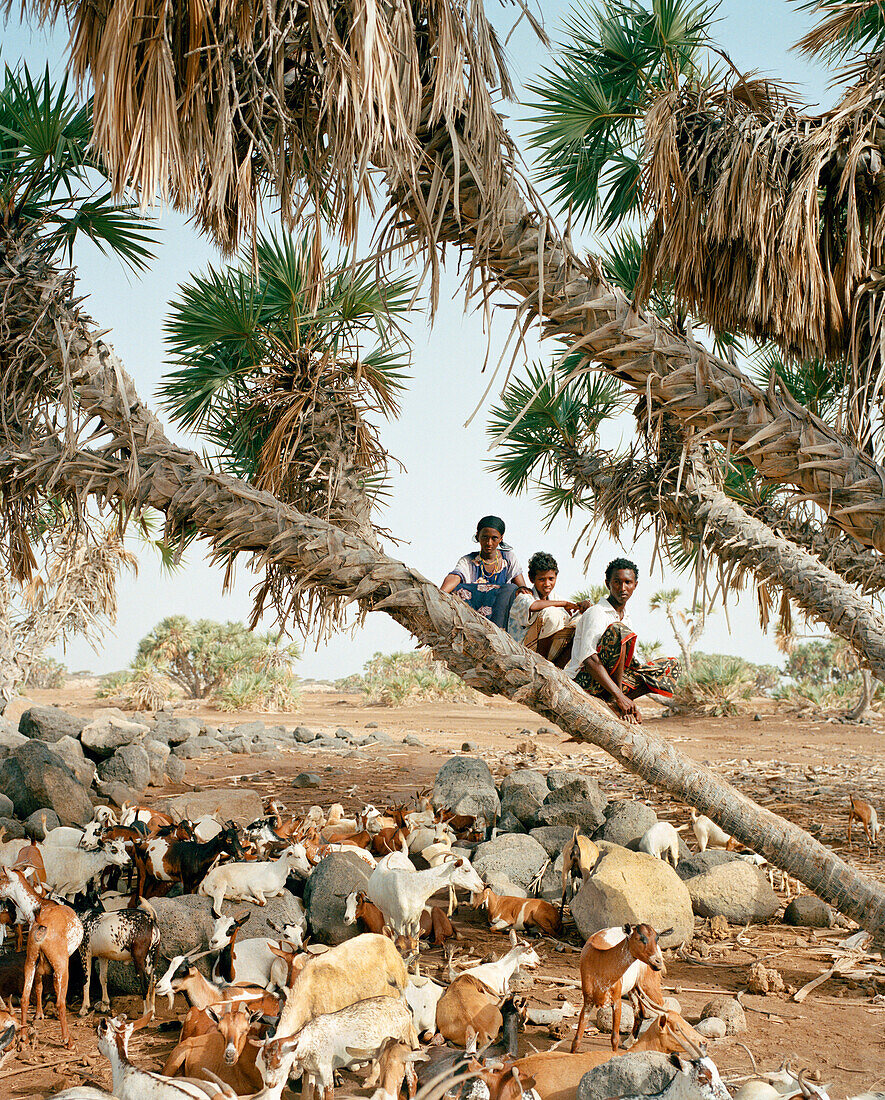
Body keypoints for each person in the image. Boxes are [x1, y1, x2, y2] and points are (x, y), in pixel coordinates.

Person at [564, 557, 680, 724]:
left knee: (670, 666)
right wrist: (619, 696)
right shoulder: (597, 612)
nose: (622, 588)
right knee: (618, 630)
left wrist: (628, 702)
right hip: (585, 681)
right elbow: (589, 660)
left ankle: (615, 703)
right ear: (607, 584)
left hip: (609, 685)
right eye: (617, 582)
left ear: (635, 585)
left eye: (628, 582)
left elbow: (630, 662)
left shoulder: (627, 618)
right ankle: (616, 700)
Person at [441, 515, 529, 629]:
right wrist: (439, 595)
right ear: (478, 536)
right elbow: (455, 577)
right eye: (485, 537)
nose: (489, 543)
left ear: (501, 538)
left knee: (510, 589)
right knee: (456, 589)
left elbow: (521, 586)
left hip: (501, 615)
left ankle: (498, 632)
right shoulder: (468, 561)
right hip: (473, 616)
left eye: (494, 538)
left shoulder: (508, 558)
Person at [508, 551, 590, 661]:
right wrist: (564, 604)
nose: (547, 584)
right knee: (551, 614)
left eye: (551, 579)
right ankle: (542, 662)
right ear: (532, 579)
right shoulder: (524, 596)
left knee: (581, 620)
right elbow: (534, 606)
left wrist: (585, 606)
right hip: (523, 652)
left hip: (553, 650)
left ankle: (559, 667)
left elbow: (574, 614)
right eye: (542, 579)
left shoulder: (556, 598)